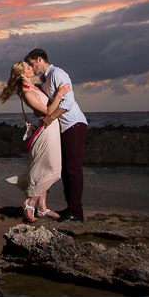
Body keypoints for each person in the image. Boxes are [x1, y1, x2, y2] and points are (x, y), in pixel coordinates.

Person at [0, 61, 70, 222]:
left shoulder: (35, 86)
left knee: (43, 170)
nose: (31, 68)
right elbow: (49, 111)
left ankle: (42, 208)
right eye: (28, 67)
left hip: (51, 127)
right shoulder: (27, 92)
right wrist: (60, 94)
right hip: (46, 131)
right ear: (23, 74)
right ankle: (30, 202)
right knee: (54, 170)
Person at [25, 48, 88, 222]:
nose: (32, 67)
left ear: (39, 59)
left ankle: (77, 212)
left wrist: (50, 118)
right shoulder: (44, 80)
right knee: (67, 170)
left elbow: (67, 102)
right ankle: (71, 208)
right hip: (64, 127)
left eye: (31, 64)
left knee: (73, 169)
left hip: (74, 124)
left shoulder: (58, 74)